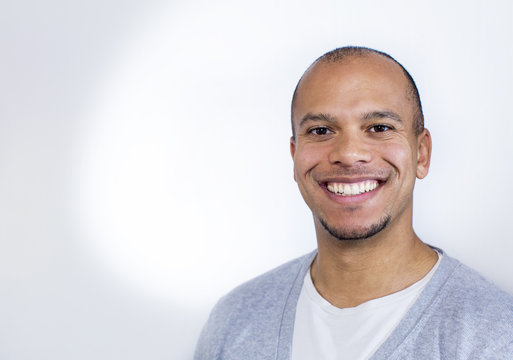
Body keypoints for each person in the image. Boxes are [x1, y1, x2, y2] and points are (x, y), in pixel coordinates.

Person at [193, 46, 513, 360]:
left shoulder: (495, 335)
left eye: (379, 128)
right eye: (320, 130)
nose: (347, 154)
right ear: (294, 157)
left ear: (422, 154)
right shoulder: (235, 322)